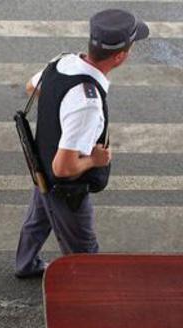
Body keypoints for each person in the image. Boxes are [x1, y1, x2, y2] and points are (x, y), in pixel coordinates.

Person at [15, 9, 150, 278]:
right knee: (85, 252)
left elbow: (32, 87)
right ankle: (87, 301)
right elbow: (64, 168)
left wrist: (59, 111)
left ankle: (25, 265)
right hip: (67, 190)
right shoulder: (87, 104)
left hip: (40, 167)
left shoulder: (62, 61)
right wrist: (95, 160)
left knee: (37, 222)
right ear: (120, 56)